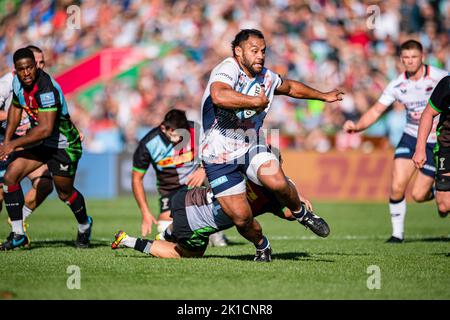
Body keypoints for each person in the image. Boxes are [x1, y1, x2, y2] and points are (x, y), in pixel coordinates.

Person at [200, 29, 342, 260]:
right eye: (254, 51)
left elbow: (290, 88)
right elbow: (219, 96)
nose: (260, 56)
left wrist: (323, 96)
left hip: (249, 145)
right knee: (241, 218)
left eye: (263, 51)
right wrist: (253, 101)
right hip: (219, 156)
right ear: (238, 52)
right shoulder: (228, 69)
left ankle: (302, 214)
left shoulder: (266, 77)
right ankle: (262, 245)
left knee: (276, 181)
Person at [343, 40, 448, 243]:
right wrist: (357, 126)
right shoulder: (397, 84)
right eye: (405, 58)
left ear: (422, 57)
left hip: (435, 140)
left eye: (413, 57)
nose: (409, 61)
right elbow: (376, 110)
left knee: (418, 195)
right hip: (410, 137)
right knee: (397, 185)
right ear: (401, 60)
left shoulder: (440, 77)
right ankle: (397, 234)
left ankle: (438, 190)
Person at [0, 47, 92, 250]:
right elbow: (15, 108)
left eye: (30, 68)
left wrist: (13, 144)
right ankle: (18, 234)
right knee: (10, 177)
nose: (26, 73)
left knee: (64, 194)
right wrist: (7, 141)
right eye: (21, 69)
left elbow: (45, 129)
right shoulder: (17, 82)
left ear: (36, 66)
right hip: (41, 143)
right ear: (16, 70)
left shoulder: (46, 88)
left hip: (63, 145)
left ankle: (85, 225)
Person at [112, 175, 330, 260]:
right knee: (189, 254)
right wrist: (300, 204)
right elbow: (290, 213)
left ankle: (168, 231)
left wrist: (297, 201)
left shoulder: (247, 172)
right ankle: (129, 240)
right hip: (193, 222)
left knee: (189, 232)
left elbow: (290, 212)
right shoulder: (271, 198)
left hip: (187, 197)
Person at [132, 109, 228, 246]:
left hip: (197, 182)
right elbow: (137, 179)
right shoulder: (148, 144)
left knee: (217, 177)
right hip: (171, 190)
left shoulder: (197, 130)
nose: (178, 139)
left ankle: (215, 231)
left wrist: (203, 169)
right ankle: (202, 231)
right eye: (174, 134)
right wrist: (145, 212)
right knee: (163, 226)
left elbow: (218, 150)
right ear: (163, 128)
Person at [0, 45, 54, 227]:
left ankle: (18, 223)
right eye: (34, 63)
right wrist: (11, 117)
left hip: (25, 144)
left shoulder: (43, 84)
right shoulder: (8, 82)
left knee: (45, 183)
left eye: (40, 63)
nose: (38, 66)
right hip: (5, 143)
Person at [413, 75, 450, 217]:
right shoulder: (447, 84)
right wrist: (420, 148)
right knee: (444, 205)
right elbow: (428, 113)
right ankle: (438, 190)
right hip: (447, 146)